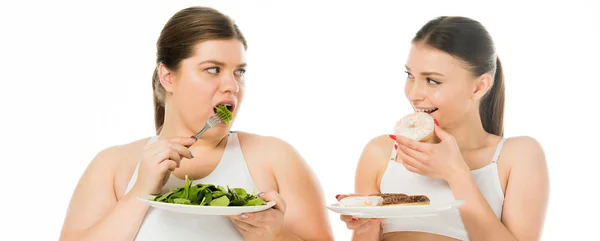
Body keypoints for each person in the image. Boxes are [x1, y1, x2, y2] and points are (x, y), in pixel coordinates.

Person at [58, 6, 333, 241]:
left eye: (239, 72)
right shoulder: (113, 165)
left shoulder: (276, 158)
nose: (232, 86)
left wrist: (276, 236)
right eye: (213, 69)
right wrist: (139, 192)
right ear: (168, 77)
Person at [337, 16, 549, 241]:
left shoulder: (517, 156)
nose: (413, 94)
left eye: (432, 81)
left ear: (479, 87)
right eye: (410, 76)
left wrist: (456, 174)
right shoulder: (381, 152)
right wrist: (365, 226)